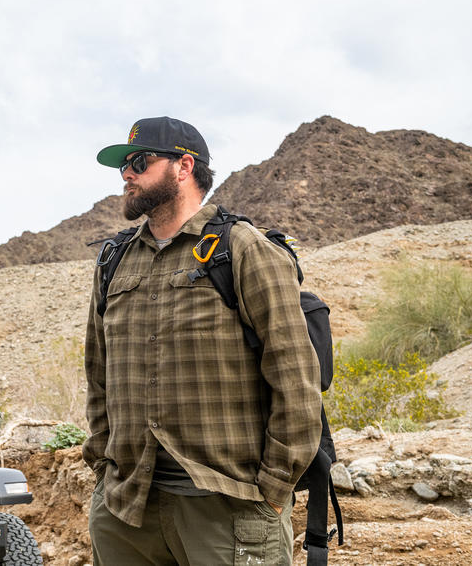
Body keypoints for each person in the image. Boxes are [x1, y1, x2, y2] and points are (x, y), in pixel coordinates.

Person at [84, 117, 323, 565]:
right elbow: (98, 375)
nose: (126, 174)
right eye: (123, 166)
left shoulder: (243, 249)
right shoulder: (113, 262)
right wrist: (102, 467)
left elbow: (294, 375)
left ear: (184, 166)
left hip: (227, 506)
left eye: (139, 161)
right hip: (125, 509)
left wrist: (273, 490)